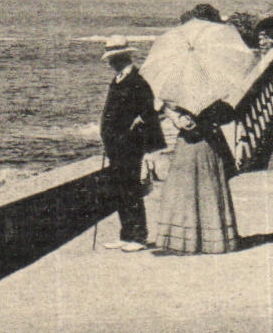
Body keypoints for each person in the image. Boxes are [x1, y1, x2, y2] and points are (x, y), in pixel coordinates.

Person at [149, 102, 239, 254]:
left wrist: (208, 118)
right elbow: (167, 108)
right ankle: (198, 240)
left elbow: (229, 115)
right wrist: (179, 119)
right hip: (193, 143)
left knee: (202, 189)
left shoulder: (206, 96)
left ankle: (201, 241)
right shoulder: (186, 95)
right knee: (191, 189)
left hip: (205, 143)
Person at [99, 36, 160, 252]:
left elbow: (149, 113)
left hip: (130, 146)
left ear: (123, 57)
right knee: (120, 190)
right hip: (116, 145)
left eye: (113, 58)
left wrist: (138, 126)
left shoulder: (137, 81)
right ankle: (126, 235)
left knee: (131, 190)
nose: (110, 63)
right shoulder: (117, 80)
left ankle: (139, 236)